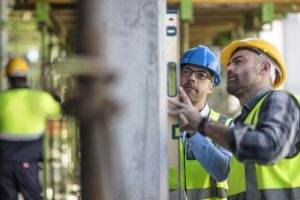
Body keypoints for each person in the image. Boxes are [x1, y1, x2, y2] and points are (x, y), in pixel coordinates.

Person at [168, 38, 300, 200]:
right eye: (229, 64)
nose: (229, 68)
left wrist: (200, 123)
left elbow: (268, 146)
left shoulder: (280, 101)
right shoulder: (244, 121)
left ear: (264, 68)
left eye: (238, 61)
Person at [169, 45, 233, 200]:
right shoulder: (163, 122)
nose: (192, 78)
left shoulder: (226, 125)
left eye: (201, 75)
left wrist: (193, 130)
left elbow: (221, 170)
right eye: (186, 72)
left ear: (211, 86)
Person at [0, 57, 61, 200]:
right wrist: (55, 98)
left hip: (3, 162)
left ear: (8, 77)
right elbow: (57, 111)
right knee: (33, 197)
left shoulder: (1, 99)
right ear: (26, 76)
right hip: (28, 162)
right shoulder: (40, 98)